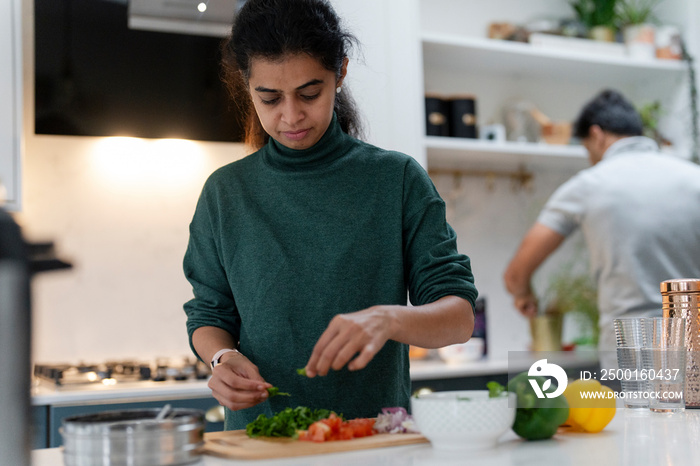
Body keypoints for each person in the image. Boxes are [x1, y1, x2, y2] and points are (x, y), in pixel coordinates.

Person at [183, 0, 478, 430]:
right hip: (260, 441)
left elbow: (459, 318)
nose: (291, 115)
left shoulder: (396, 180)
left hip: (372, 439)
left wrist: (388, 318)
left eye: (309, 93)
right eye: (269, 98)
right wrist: (221, 357)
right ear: (247, 86)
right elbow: (209, 314)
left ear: (339, 73)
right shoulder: (225, 193)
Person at [503, 89, 700, 368]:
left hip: (632, 352)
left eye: (587, 150)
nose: (590, 158)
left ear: (597, 135)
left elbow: (515, 274)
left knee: (633, 414)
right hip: (694, 347)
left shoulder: (587, 185)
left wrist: (523, 294)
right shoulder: (694, 179)